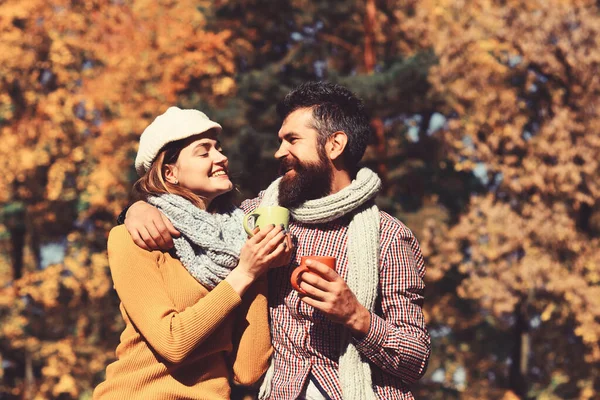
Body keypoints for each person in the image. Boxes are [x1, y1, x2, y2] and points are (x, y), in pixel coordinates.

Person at [124, 82, 430, 399]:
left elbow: (416, 358)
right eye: (280, 140)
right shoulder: (254, 217)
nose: (279, 152)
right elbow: (190, 214)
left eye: (292, 140)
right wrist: (138, 209)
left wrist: (356, 315)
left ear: (335, 145)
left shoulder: (388, 236)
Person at [94, 107, 291, 400]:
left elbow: (248, 371)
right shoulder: (132, 237)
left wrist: (259, 271)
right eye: (204, 152)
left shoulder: (238, 242)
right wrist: (245, 273)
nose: (221, 157)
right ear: (169, 172)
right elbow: (172, 342)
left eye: (219, 149)